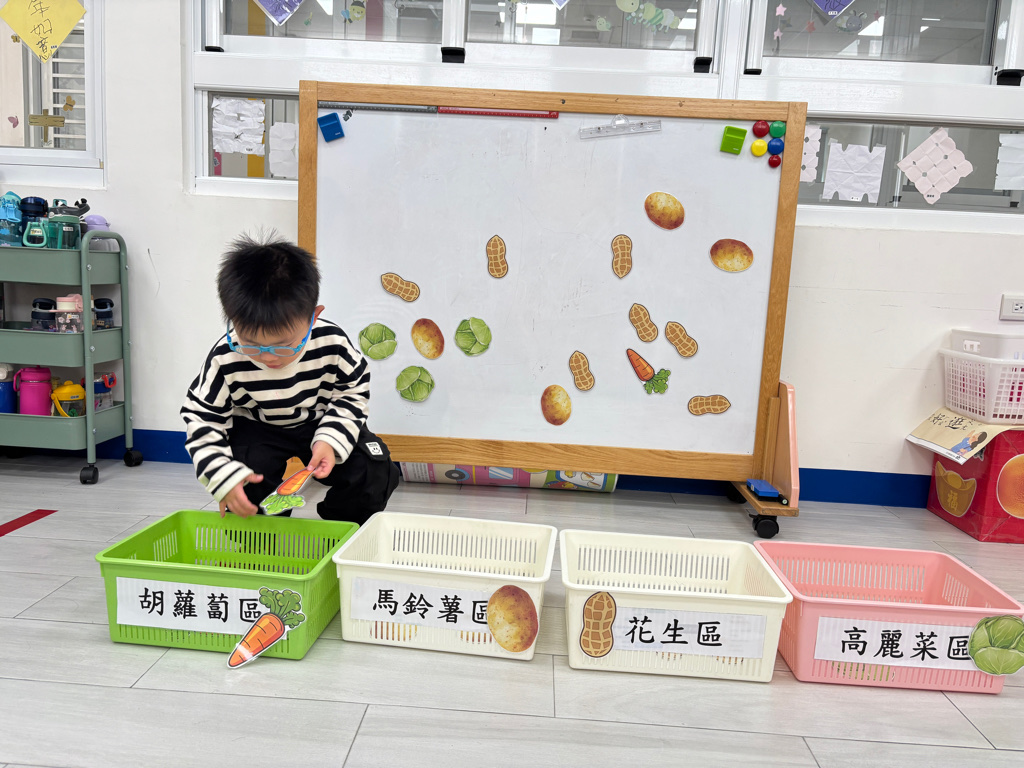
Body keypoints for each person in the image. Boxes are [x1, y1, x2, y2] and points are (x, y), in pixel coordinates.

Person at [181, 233, 399, 523]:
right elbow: (202, 417)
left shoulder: (332, 342)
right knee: (246, 480)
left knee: (373, 469)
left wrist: (330, 440)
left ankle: (342, 531)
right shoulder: (225, 356)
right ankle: (262, 539)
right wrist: (222, 475)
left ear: (313, 318)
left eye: (283, 345)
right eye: (251, 345)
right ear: (233, 321)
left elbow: (352, 391)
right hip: (257, 428)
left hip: (319, 419)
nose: (268, 357)